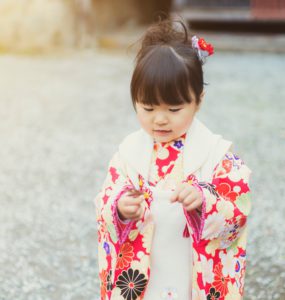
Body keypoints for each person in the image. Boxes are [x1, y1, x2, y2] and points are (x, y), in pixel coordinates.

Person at [94, 19, 252, 300]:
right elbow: (106, 200)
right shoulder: (128, 153)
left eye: (175, 108)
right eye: (148, 107)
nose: (160, 118)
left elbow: (237, 210)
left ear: (198, 100)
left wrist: (205, 200)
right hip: (145, 270)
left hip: (190, 270)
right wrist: (120, 207)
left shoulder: (216, 154)